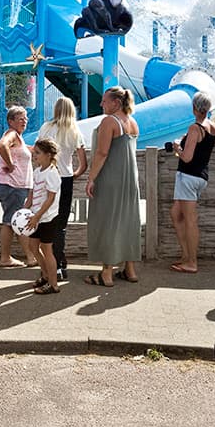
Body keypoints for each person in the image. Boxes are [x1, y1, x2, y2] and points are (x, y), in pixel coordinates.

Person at [84, 86, 141, 287]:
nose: (101, 104)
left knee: (108, 221)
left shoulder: (110, 121)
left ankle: (106, 273)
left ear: (116, 102)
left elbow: (102, 153)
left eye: (104, 101)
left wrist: (91, 178)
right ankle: (130, 269)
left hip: (111, 178)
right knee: (128, 221)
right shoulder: (132, 122)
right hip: (130, 180)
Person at [167, 91, 215, 274]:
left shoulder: (195, 128)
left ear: (194, 108)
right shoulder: (212, 127)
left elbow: (187, 157)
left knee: (189, 220)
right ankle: (186, 255)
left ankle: (191, 262)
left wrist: (177, 148)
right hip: (201, 176)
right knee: (176, 214)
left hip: (188, 176)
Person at [37, 97, 87, 280]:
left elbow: (38, 151)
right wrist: (75, 173)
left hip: (48, 176)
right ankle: (58, 263)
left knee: (46, 220)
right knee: (61, 223)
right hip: (65, 178)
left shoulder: (46, 128)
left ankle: (47, 267)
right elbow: (83, 163)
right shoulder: (74, 131)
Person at [0, 105, 36, 268]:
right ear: (10, 121)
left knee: (14, 220)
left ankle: (24, 256)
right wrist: (11, 165)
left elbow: (27, 150)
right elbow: (1, 145)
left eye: (25, 118)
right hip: (12, 185)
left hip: (16, 186)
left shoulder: (19, 137)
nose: (24, 121)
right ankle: (23, 257)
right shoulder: (11, 134)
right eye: (20, 118)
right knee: (13, 221)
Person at [27, 138, 62, 294]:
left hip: (47, 218)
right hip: (36, 216)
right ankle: (46, 275)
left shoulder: (52, 174)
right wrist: (25, 209)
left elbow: (50, 199)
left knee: (47, 250)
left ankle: (53, 284)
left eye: (38, 153)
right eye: (34, 153)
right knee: (33, 246)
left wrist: (37, 216)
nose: (35, 156)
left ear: (48, 155)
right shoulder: (37, 172)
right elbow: (32, 194)